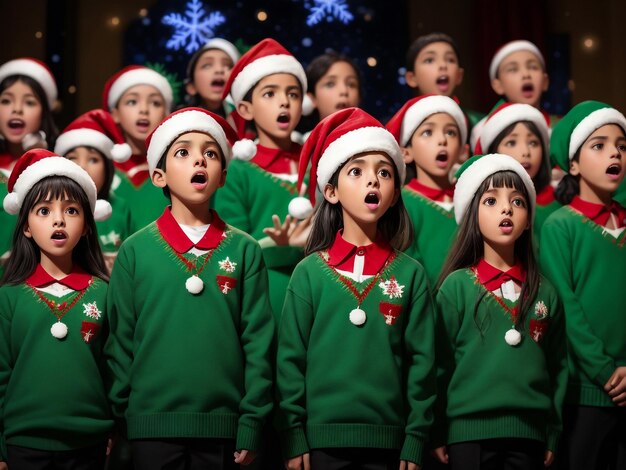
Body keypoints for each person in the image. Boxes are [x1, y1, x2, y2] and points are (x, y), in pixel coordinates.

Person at [104, 107, 275, 470]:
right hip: (150, 428)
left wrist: (251, 422)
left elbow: (258, 342)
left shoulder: (244, 249)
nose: (199, 158)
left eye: (210, 153)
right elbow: (120, 342)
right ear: (158, 175)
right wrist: (125, 416)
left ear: (223, 175)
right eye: (183, 152)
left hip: (224, 430)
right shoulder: (135, 250)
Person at [277, 107, 436, 470]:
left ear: (395, 193)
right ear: (330, 191)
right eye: (357, 171)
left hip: (390, 444)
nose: (373, 182)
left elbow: (422, 365)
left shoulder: (410, 274)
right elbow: (289, 363)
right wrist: (294, 434)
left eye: (383, 172)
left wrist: (414, 440)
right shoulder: (308, 274)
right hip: (320, 445)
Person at [432, 154, 567, 469]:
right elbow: (438, 365)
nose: (506, 209)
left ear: (529, 218)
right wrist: (438, 430)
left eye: (517, 202)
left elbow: (558, 366)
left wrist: (552, 431)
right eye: (491, 201)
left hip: (529, 436)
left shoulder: (545, 291)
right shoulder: (455, 287)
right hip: (467, 435)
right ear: (471, 215)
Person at [0, 149, 112, 470]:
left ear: (88, 227)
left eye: (72, 210)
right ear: (26, 227)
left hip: (89, 442)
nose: (59, 219)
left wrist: (115, 426)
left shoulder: (104, 293)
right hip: (23, 442)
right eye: (44, 211)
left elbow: (114, 369)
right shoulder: (8, 298)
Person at [540, 101, 626, 470]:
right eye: (599, 145)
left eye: (621, 146)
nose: (615, 154)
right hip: (588, 389)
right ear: (572, 164)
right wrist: (605, 370)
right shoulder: (561, 225)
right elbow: (566, 307)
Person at [213, 38, 311, 318]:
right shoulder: (238, 173)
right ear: (245, 109)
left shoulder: (317, 164)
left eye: (293, 94)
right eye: (270, 94)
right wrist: (276, 246)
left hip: (323, 294)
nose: (284, 101)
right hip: (268, 296)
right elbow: (231, 252)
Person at [386, 94, 468, 288]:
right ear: (406, 152)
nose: (442, 140)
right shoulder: (401, 202)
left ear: (463, 150)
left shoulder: (472, 199)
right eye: (427, 132)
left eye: (451, 133)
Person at [55, 109, 134, 272]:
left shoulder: (121, 208)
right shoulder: (53, 212)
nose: (82, 166)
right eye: (72, 158)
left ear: (107, 169)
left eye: (93, 159)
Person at [0, 58, 59, 275]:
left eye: (29, 102)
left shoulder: (58, 167)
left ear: (44, 112)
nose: (16, 109)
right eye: (6, 101)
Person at [102, 65, 173, 232]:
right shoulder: (103, 169)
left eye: (155, 103)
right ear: (115, 114)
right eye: (132, 101)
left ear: (166, 113)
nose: (143, 110)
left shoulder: (174, 169)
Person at [475, 102, 557, 234]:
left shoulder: (558, 204)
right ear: (493, 152)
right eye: (511, 143)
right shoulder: (483, 206)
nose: (525, 151)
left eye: (533, 143)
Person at [470, 40, 550, 151]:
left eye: (533, 67)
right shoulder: (485, 130)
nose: (526, 74)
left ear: (545, 81)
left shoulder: (560, 128)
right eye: (513, 69)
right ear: (497, 85)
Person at [404, 33, 484, 131]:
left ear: (459, 75)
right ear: (411, 78)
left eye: (450, 60)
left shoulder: (479, 125)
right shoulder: (401, 127)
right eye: (429, 60)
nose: (443, 65)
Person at [296, 50, 362, 140]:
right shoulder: (302, 147)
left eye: (351, 84)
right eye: (330, 84)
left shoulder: (375, 141)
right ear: (312, 98)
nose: (344, 91)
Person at [184, 38, 240, 118]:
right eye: (207, 66)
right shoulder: (181, 122)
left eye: (228, 66)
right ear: (191, 86)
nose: (219, 70)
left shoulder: (247, 121)